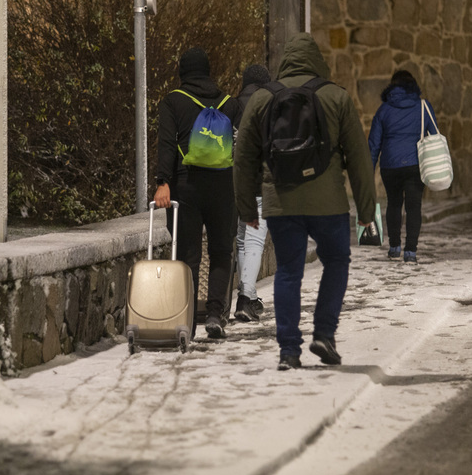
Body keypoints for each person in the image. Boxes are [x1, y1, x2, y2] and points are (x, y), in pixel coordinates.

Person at [234, 33, 376, 371]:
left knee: (287, 272)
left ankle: (288, 351)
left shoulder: (262, 99)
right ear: (317, 61)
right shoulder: (336, 97)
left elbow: (243, 159)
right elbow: (359, 159)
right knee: (337, 261)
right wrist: (367, 212)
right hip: (329, 204)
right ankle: (324, 333)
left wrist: (246, 209)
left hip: (281, 202)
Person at [154, 47, 239, 339]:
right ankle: (215, 314)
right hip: (223, 187)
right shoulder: (229, 104)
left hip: (185, 186)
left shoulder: (173, 102)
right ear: (208, 70)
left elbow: (166, 144)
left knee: (187, 255)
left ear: (182, 72)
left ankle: (186, 322)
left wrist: (162, 181)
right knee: (221, 251)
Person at [368, 69, 438, 263]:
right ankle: (411, 251)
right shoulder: (423, 106)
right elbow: (434, 135)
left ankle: (394, 247)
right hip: (416, 163)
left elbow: (374, 144)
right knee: (414, 207)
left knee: (393, 203)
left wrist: (368, 171)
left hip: (390, 165)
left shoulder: (384, 109)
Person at [232, 64, 271, 322]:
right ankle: (244, 300)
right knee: (256, 240)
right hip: (260, 183)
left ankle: (251, 296)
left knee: (243, 240)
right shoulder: (269, 105)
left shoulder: (232, 106)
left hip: (235, 184)